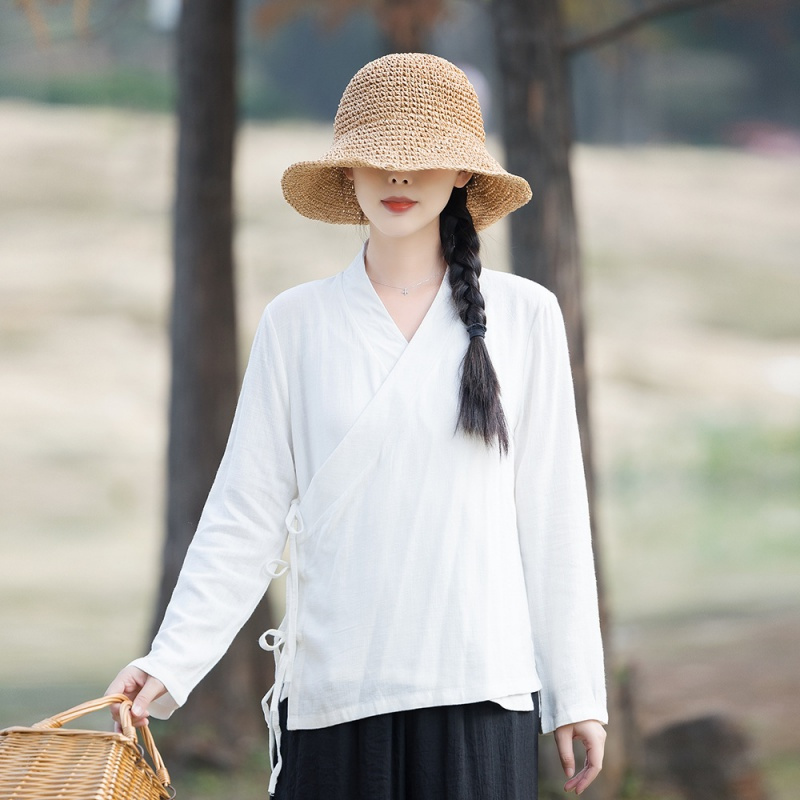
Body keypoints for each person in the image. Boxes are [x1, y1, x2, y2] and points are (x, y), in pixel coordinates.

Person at [107, 52, 608, 799]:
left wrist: (578, 693)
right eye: (378, 158)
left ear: (464, 173)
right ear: (347, 173)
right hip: (337, 695)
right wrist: (171, 659)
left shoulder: (525, 315)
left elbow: (553, 513)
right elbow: (245, 513)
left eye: (422, 158)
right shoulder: (296, 323)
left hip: (478, 689)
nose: (398, 178)